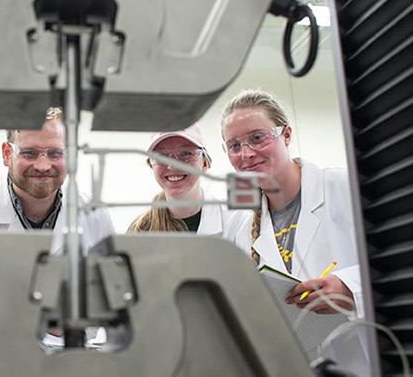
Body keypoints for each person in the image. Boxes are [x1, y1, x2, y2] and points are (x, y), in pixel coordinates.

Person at [220, 89, 367, 374]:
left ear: (286, 134)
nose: (246, 153)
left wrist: (351, 287)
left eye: (257, 138)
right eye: (234, 145)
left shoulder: (345, 186)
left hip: (365, 355)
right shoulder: (240, 225)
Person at [0, 107, 114, 253]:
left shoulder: (95, 216)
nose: (43, 165)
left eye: (55, 153)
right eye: (29, 153)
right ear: (7, 154)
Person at [127, 123, 245, 236]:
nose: (172, 166)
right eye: (162, 156)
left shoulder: (236, 222)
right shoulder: (140, 230)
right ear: (151, 165)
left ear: (204, 163)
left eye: (185, 153)